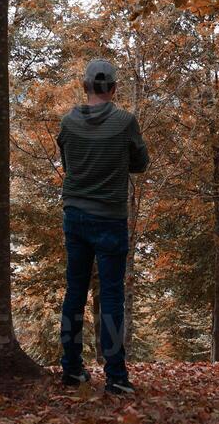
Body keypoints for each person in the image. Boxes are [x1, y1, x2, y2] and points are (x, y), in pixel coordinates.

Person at [56, 58, 149, 394]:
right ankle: (116, 377)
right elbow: (140, 162)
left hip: (75, 215)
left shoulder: (68, 122)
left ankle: (71, 369)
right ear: (112, 88)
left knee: (75, 291)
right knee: (111, 295)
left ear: (85, 86)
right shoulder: (125, 122)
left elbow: (68, 163)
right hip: (109, 217)